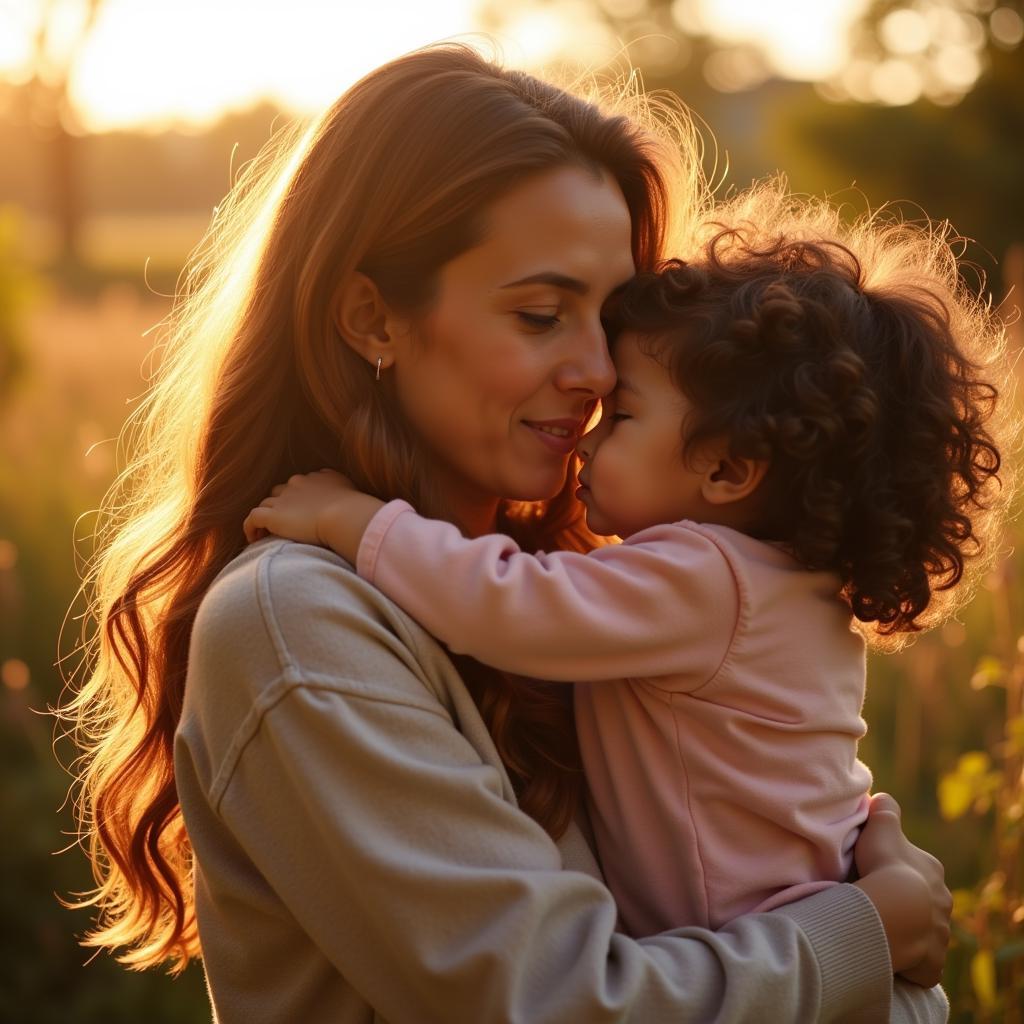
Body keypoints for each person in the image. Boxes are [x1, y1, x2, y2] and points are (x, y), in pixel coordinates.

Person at [63, 42, 951, 1021]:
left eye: (608, 321)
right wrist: (863, 934)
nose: (599, 372)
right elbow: (556, 1002)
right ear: (371, 319)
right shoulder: (297, 618)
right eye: (538, 313)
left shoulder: (566, 583)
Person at [245, 183, 1011, 943]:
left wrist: (355, 522)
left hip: (760, 960)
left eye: (627, 417)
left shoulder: (706, 581)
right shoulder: (771, 584)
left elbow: (505, 604)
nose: (588, 431)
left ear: (728, 468)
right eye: (542, 316)